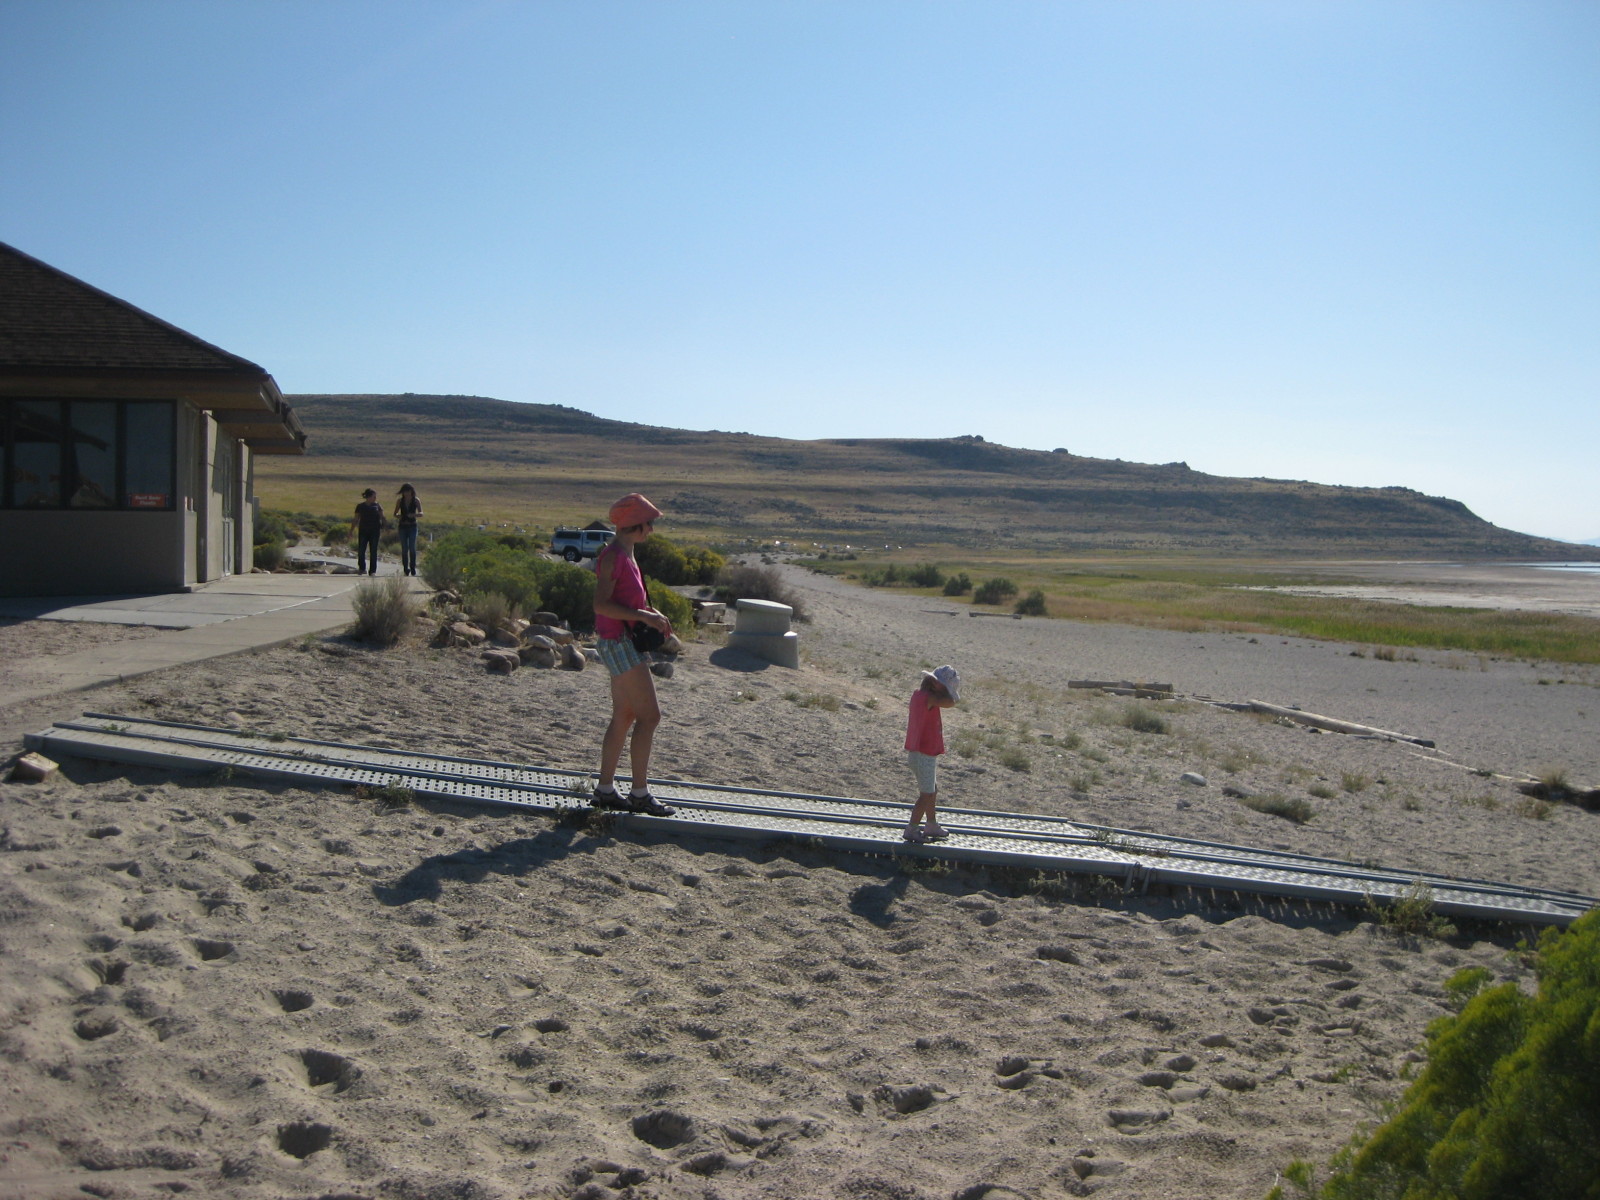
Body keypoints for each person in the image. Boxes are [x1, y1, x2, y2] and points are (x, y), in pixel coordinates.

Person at [590, 493, 676, 816]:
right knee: (650, 717)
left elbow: (625, 601)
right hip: (619, 643)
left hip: (619, 641)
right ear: (635, 525)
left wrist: (650, 614)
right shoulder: (614, 556)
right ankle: (639, 793)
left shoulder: (625, 553)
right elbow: (601, 605)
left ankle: (605, 790)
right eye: (648, 523)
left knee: (624, 716)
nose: (651, 529)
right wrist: (642, 616)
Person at [903, 664, 960, 843]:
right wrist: (947, 692)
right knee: (926, 794)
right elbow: (951, 702)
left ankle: (931, 824)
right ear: (936, 684)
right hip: (923, 754)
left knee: (931, 791)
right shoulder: (929, 698)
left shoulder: (919, 695)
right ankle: (912, 828)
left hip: (922, 754)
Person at [351, 488, 384, 576]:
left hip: (375, 531)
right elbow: (356, 519)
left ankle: (372, 570)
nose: (375, 498)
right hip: (363, 531)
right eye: (373, 496)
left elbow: (382, 517)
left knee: (373, 551)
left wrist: (385, 527)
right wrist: (351, 530)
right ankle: (362, 568)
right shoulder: (360, 506)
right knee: (361, 550)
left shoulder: (377, 506)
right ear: (368, 497)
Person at [393, 483, 423, 576]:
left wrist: (413, 515)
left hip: (412, 526)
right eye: (405, 492)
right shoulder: (400, 501)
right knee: (404, 548)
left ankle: (413, 567)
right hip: (403, 526)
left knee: (412, 547)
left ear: (411, 491)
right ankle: (406, 568)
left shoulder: (416, 500)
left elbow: (421, 513)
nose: (406, 493)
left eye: (408, 491)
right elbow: (395, 513)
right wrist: (400, 516)